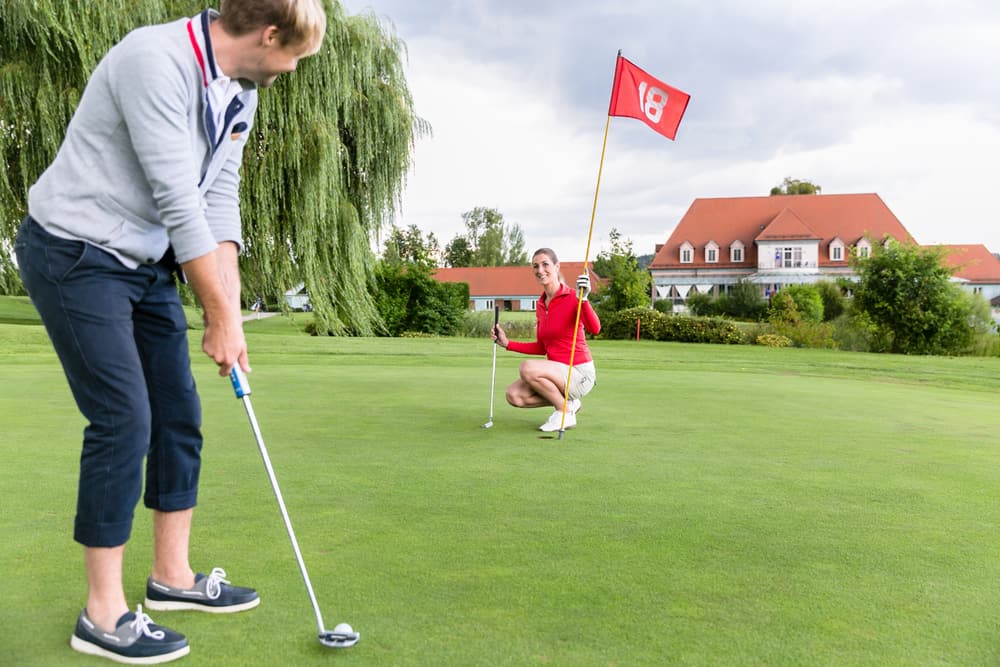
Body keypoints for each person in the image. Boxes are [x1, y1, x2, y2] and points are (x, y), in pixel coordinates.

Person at [13, 1, 326, 663]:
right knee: (124, 416)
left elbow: (219, 202)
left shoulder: (241, 90)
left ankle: (172, 578)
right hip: (74, 249)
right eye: (295, 56)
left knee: (178, 411)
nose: (292, 69)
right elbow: (178, 199)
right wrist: (213, 316)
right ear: (270, 36)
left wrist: (231, 315)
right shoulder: (154, 60)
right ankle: (101, 614)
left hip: (144, 259)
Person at [492, 248, 601, 432]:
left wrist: (584, 300)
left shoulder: (575, 297)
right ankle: (570, 404)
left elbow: (595, 329)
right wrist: (507, 344)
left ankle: (564, 411)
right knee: (514, 395)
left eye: (545, 264)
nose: (540, 270)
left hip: (579, 373)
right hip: (557, 374)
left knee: (527, 368)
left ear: (557, 266)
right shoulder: (541, 304)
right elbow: (542, 347)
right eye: (535, 266)